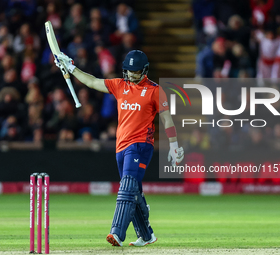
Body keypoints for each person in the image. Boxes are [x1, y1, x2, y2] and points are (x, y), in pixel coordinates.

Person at [54, 50, 184, 246]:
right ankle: (147, 235)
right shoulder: (120, 85)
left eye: (135, 71)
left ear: (145, 70)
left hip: (141, 145)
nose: (131, 75)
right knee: (133, 190)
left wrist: (174, 145)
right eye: (129, 71)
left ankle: (117, 233)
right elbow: (92, 81)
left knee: (127, 185)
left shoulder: (155, 90)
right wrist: (71, 67)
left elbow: (166, 118)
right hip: (121, 146)